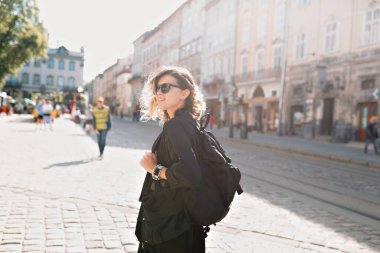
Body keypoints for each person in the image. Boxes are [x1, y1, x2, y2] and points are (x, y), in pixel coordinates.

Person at [136, 66, 206, 253]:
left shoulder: (175, 126)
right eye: (157, 88)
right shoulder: (189, 123)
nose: (159, 92)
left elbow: (191, 174)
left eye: (165, 87)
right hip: (183, 223)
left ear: (184, 93)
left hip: (169, 228)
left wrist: (154, 169)